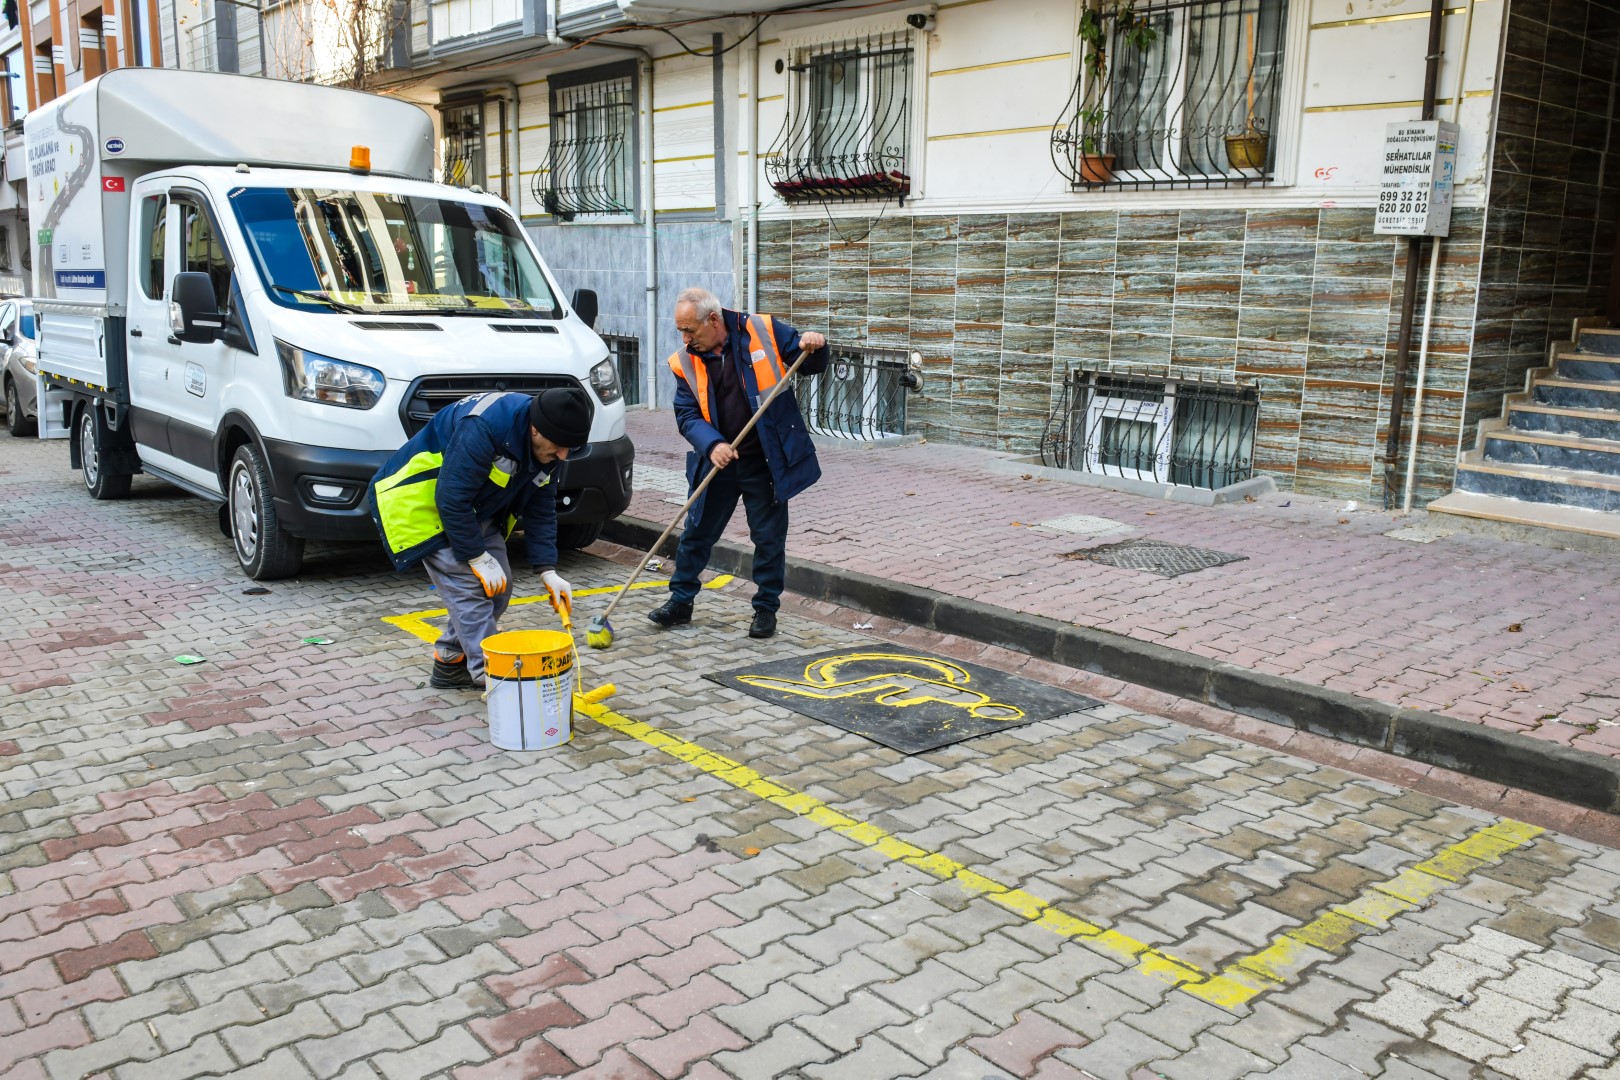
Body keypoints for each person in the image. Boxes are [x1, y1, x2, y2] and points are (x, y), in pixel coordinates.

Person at [369, 387, 592, 689]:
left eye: (571, 448)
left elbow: (541, 509)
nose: (563, 456)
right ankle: (495, 678)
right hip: (421, 506)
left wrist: (547, 570)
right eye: (559, 446)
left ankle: (450, 661)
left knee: (499, 588)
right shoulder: (484, 426)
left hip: (472, 508)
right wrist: (476, 556)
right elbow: (449, 498)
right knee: (469, 589)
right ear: (536, 429)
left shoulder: (550, 443)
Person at [648, 287, 829, 639]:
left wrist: (815, 344)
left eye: (690, 330)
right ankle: (681, 601)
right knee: (697, 534)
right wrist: (711, 443)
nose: (685, 339)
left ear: (713, 320)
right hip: (718, 462)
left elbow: (806, 361)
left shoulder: (763, 330)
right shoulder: (685, 360)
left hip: (765, 460)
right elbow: (686, 415)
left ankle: (765, 609)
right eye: (680, 331)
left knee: (768, 538)